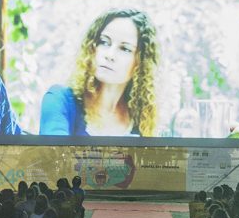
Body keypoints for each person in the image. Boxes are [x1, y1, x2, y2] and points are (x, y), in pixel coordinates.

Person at [40, 8, 159, 137]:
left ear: (141, 63)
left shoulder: (140, 123)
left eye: (125, 49)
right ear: (92, 47)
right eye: (104, 42)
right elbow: (54, 155)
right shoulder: (59, 99)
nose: (110, 55)